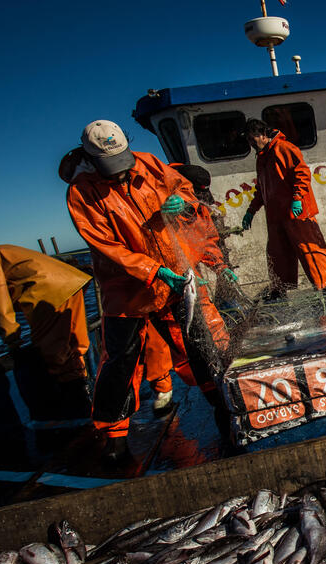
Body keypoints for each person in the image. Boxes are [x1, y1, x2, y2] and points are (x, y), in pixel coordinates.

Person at [65, 119, 232, 461]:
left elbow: (186, 193)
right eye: (110, 168)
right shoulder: (81, 192)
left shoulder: (149, 163)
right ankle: (114, 441)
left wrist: (180, 204)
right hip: (127, 290)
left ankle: (223, 409)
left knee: (200, 345)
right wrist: (154, 271)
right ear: (90, 159)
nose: (120, 174)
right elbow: (107, 247)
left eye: (122, 163)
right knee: (121, 363)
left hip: (175, 279)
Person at [0, 239, 92, 420]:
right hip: (70, 284)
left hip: (47, 294)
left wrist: (12, 340)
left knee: (52, 353)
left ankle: (77, 409)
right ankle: (88, 397)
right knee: (75, 345)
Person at [241, 119, 326, 298]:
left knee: (309, 250)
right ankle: (279, 292)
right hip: (276, 217)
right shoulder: (261, 158)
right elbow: (261, 190)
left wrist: (298, 198)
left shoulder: (284, 148)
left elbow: (302, 173)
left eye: (252, 139)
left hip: (297, 213)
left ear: (262, 134)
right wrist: (251, 211)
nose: (251, 144)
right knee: (277, 255)